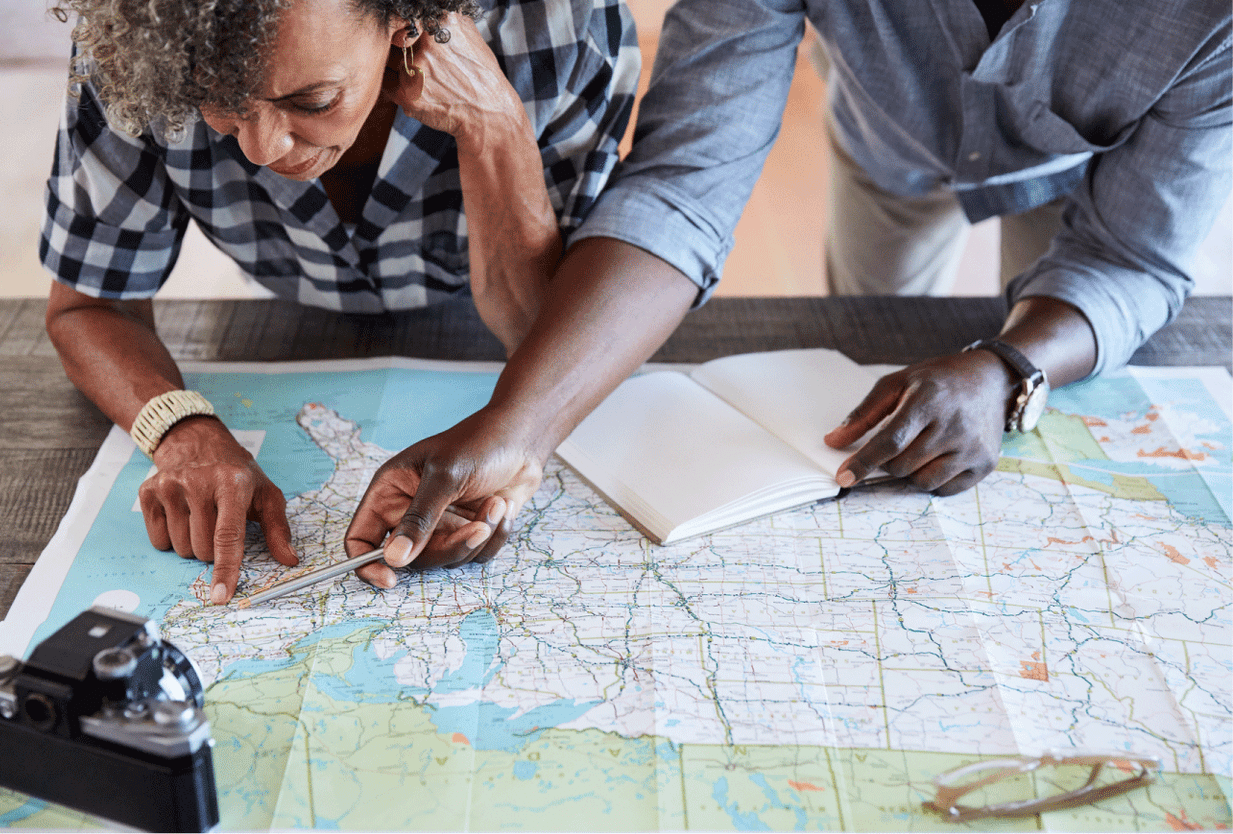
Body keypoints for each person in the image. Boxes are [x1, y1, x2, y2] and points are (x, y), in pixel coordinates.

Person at [41, 0, 693, 603]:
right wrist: (180, 431)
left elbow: (539, 334)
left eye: (313, 99)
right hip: (284, 321)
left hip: (475, 334)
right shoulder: (139, 39)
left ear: (404, 23)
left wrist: (491, 123)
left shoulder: (558, 26)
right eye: (223, 108)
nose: (262, 148)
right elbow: (90, 305)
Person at [569, 0, 1232, 495]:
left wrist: (1006, 366)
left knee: (1048, 356)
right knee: (864, 344)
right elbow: (687, 180)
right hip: (885, 142)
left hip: (1071, 172)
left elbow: (1127, 259)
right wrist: (523, 425)